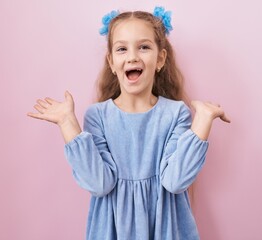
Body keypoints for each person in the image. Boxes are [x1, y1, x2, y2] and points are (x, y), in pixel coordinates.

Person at [27, 6, 230, 240]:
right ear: (112, 62)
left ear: (160, 58)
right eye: (122, 49)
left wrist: (203, 120)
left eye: (144, 47)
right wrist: (67, 123)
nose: (132, 56)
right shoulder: (97, 116)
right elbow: (99, 183)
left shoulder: (175, 113)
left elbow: (175, 181)